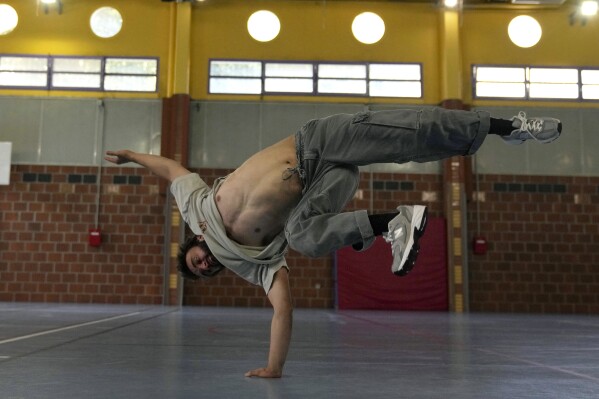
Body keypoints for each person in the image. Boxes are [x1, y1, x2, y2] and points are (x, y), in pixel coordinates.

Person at [105, 107, 561, 378]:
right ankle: (393, 223)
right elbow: (283, 310)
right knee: (303, 238)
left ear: (192, 245)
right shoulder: (253, 262)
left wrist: (130, 155)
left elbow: (169, 168)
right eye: (201, 273)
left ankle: (507, 126)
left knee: (409, 135)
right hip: (323, 186)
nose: (202, 266)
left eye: (194, 261)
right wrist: (274, 366)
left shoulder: (195, 206)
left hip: (316, 143)